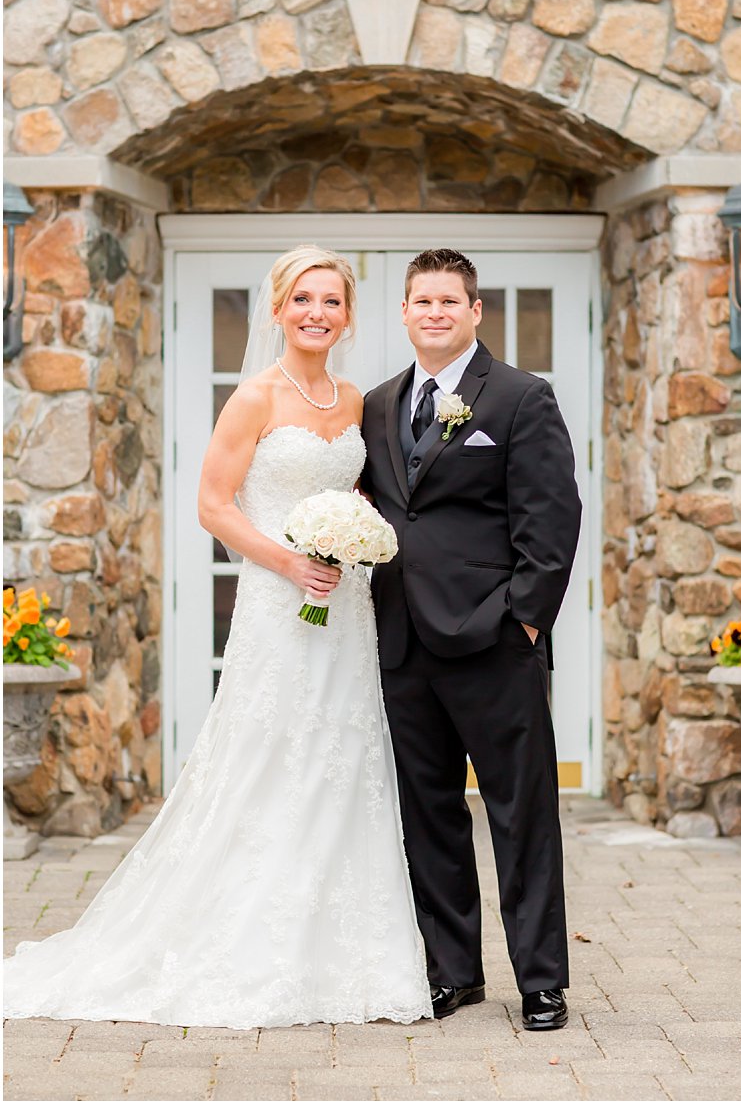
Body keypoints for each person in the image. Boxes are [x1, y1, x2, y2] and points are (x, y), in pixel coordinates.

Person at [2, 246, 432, 1028]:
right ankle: (250, 940)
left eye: (331, 301)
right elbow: (213, 503)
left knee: (346, 761)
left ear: (347, 315)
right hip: (280, 601)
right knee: (270, 758)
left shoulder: (356, 401)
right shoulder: (254, 398)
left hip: (348, 610)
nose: (317, 313)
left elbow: (363, 490)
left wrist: (355, 538)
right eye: (303, 298)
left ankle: (345, 952)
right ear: (277, 309)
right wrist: (289, 562)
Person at [359, 249, 581, 1032]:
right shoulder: (379, 403)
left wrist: (522, 618)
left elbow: (552, 521)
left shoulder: (521, 397)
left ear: (475, 310)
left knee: (522, 815)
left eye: (450, 300)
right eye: (422, 300)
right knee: (430, 814)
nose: (435, 312)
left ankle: (543, 980)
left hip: (493, 642)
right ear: (407, 310)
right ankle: (454, 971)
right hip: (402, 644)